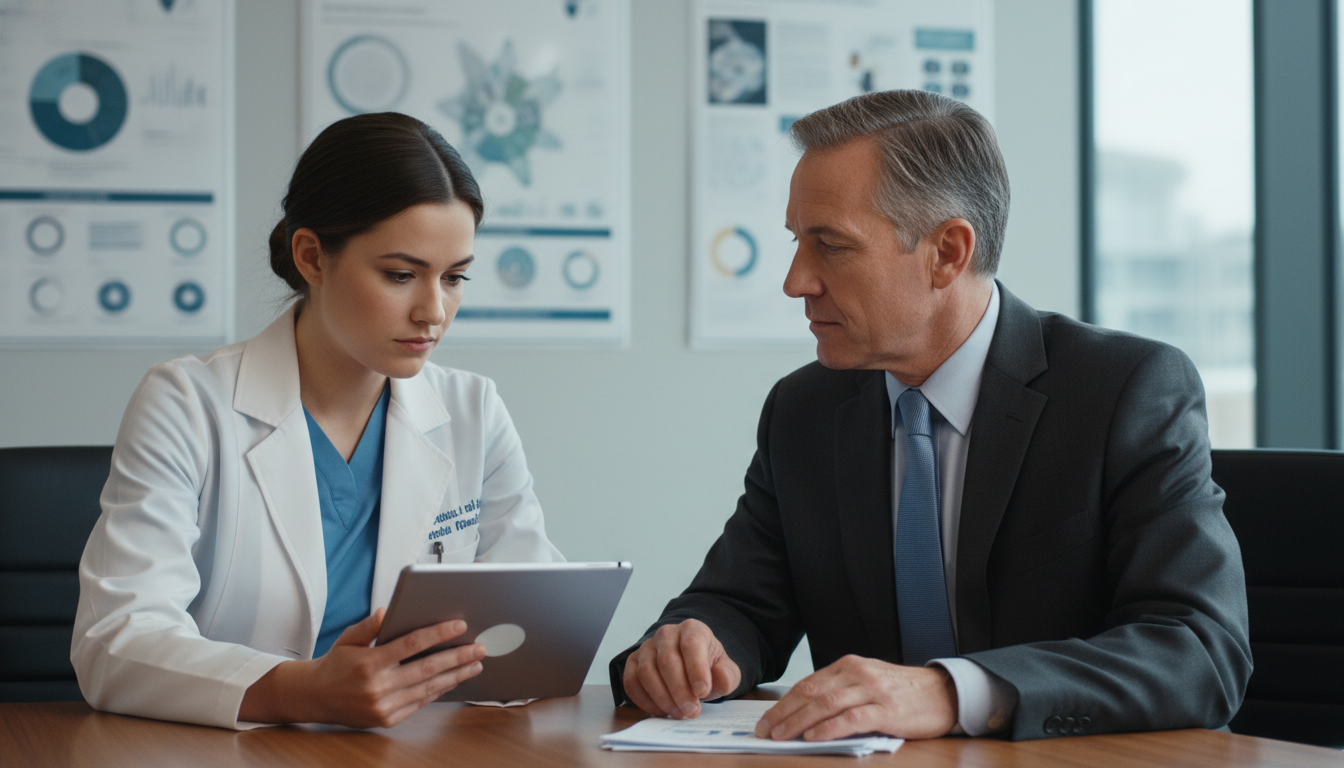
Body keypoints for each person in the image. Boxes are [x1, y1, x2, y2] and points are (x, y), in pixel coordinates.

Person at [610, 90, 1251, 742]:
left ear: (948, 252)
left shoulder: (1123, 391)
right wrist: (691, 646)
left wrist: (950, 692)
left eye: (829, 245)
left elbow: (1198, 651)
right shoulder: (805, 410)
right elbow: (741, 602)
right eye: (797, 241)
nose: (795, 281)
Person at [73, 113, 563, 730]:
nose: (433, 311)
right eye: (401, 275)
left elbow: (536, 630)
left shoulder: (473, 411)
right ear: (312, 257)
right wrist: (296, 691)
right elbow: (116, 641)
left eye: (455, 278)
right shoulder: (187, 403)